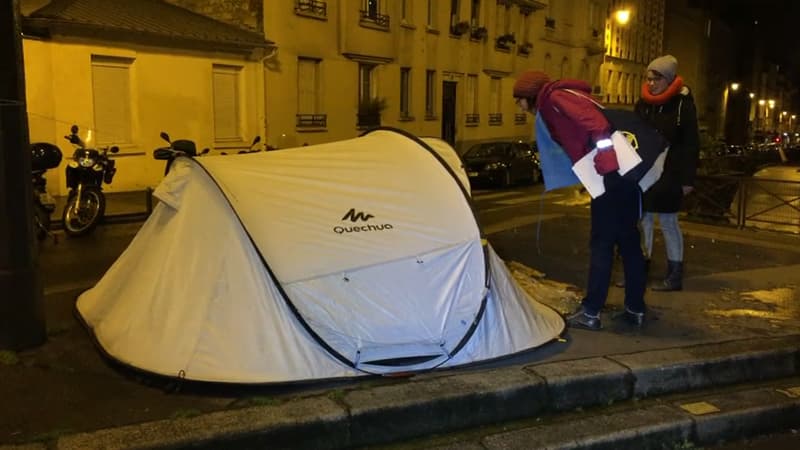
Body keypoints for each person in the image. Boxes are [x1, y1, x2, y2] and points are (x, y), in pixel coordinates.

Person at [513, 70, 647, 330]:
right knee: (629, 241)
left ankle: (591, 312)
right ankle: (635, 308)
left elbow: (596, 124)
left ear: (530, 95)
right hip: (621, 176)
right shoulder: (562, 96)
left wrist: (605, 159)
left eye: (519, 99)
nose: (519, 106)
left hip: (610, 176)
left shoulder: (554, 99)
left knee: (602, 243)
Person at [635, 55, 699, 291]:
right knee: (645, 220)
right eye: (648, 79)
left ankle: (674, 275)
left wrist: (687, 179)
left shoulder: (683, 105)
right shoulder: (643, 103)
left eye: (656, 79)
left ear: (669, 79)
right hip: (646, 171)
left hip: (671, 172)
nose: (651, 84)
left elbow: (691, 143)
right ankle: (640, 269)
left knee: (669, 221)